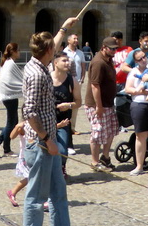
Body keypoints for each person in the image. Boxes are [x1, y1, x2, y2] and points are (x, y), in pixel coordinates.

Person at [21, 20, 88, 226]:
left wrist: (63, 28)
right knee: (36, 197)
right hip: (40, 144)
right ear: (49, 52)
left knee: (58, 191)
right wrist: (48, 139)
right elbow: (28, 112)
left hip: (47, 140)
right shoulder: (37, 74)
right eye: (54, 50)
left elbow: (51, 45)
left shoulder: (37, 63)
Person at [85, 36, 120, 172]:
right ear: (104, 47)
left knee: (111, 130)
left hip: (108, 103)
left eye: (116, 49)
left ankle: (105, 157)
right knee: (97, 133)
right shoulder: (99, 62)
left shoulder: (108, 59)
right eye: (112, 49)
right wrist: (98, 107)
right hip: (97, 105)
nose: (114, 51)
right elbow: (95, 86)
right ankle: (94, 162)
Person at [0, 42, 24, 158]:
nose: (20, 52)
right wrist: (26, 85)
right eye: (18, 50)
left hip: (7, 96)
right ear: (14, 51)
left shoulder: (5, 62)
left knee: (12, 122)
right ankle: (5, 147)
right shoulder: (10, 64)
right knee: (12, 122)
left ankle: (0, 142)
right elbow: (13, 81)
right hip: (10, 96)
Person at [50, 52, 80, 167]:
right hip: (47, 120)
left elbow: (78, 102)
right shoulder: (47, 78)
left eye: (68, 60)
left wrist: (69, 105)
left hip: (64, 122)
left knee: (62, 151)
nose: (67, 63)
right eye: (64, 60)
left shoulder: (72, 81)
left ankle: (61, 169)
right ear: (56, 63)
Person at [63, 31, 86, 135]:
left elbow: (83, 66)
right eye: (74, 39)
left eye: (77, 39)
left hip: (77, 82)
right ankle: (64, 125)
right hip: (66, 82)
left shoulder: (80, 53)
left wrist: (82, 78)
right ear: (68, 40)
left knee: (76, 105)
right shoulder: (64, 52)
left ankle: (72, 127)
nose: (76, 40)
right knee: (66, 103)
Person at [6, 121, 29, 207]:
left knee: (32, 178)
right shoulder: (23, 127)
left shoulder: (38, 124)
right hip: (26, 158)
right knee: (31, 178)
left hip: (35, 156)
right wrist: (17, 127)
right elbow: (12, 136)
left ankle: (12, 192)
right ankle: (12, 192)